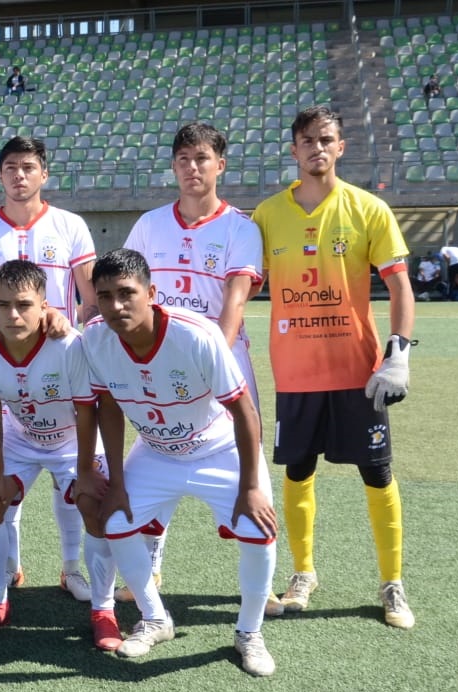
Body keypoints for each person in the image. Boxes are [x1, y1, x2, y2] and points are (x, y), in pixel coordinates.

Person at [71, 248, 277, 674]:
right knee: (116, 522)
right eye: (105, 296)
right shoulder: (95, 336)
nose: (115, 305)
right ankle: (155, 618)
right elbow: (108, 407)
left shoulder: (196, 335)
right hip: (156, 451)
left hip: (218, 448)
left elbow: (245, 412)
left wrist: (251, 486)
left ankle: (249, 632)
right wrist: (118, 482)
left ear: (151, 293)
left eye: (126, 293)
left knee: (258, 530)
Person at [251, 105, 416, 630]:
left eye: (326, 139)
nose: (317, 148)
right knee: (298, 472)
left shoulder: (369, 209)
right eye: (307, 140)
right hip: (295, 373)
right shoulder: (266, 215)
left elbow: (399, 285)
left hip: (357, 371)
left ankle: (392, 582)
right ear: (294, 149)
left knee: (378, 472)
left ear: (341, 147)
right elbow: (240, 284)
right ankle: (303, 573)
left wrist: (399, 352)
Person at [122, 121, 265, 603]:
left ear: (220, 165)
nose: (192, 168)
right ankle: (151, 565)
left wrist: (212, 361)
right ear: (173, 166)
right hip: (159, 364)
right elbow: (130, 294)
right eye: (183, 159)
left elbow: (235, 302)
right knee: (159, 451)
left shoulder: (240, 228)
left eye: (202, 158)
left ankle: (259, 577)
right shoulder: (149, 225)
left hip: (223, 359)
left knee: (246, 463)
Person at [0, 136, 98, 597]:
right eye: (10, 168)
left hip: (61, 364)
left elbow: (90, 300)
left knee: (73, 481)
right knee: (1, 476)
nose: (19, 175)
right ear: (0, 175)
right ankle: (8, 567)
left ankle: (71, 568)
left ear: (44, 173)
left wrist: (66, 325)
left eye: (28, 166)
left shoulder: (70, 225)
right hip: (7, 370)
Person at [0, 260, 106, 639]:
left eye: (23, 304)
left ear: (44, 305)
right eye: (2, 304)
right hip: (20, 437)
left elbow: (87, 410)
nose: (13, 314)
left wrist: (85, 471)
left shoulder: (69, 345)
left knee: (94, 500)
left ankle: (99, 605)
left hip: (71, 438)